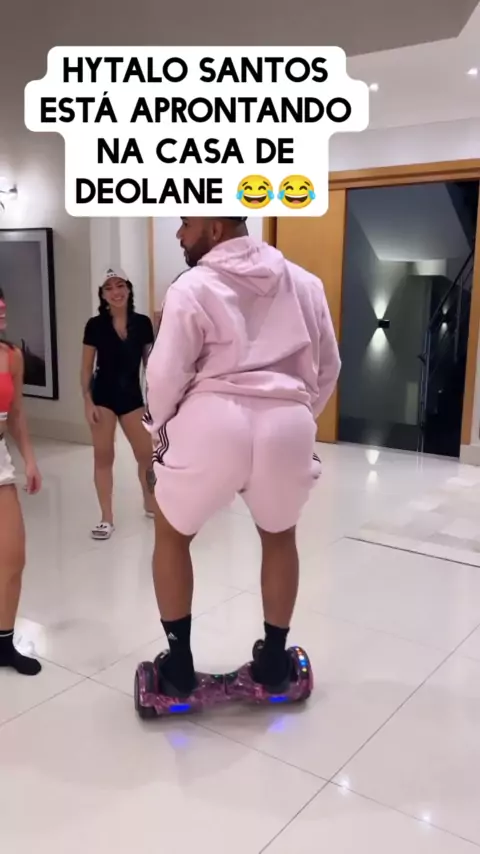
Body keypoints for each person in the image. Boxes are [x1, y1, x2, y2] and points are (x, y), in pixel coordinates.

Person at [144, 217, 341, 698]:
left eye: (186, 224)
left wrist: (160, 427)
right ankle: (273, 663)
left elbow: (166, 374)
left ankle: (178, 667)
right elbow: (329, 367)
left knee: (172, 535)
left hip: (212, 419)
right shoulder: (306, 283)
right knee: (280, 537)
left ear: (215, 229)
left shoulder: (191, 286)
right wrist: (298, 414)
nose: (179, 235)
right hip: (287, 423)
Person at [81, 268, 156, 540]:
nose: (116, 292)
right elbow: (86, 368)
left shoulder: (143, 324)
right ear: (102, 295)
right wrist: (87, 401)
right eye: (109, 288)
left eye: (120, 285)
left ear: (128, 288)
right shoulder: (95, 326)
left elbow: (151, 366)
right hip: (102, 397)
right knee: (103, 456)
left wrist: (154, 401)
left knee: (147, 455)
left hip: (132, 398)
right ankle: (106, 518)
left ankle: (151, 503)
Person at [0, 287, 42, 675]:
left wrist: (29, 458)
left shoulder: (11, 356)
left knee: (13, 558)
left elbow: (15, 413)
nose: (2, 307)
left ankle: (4, 644)